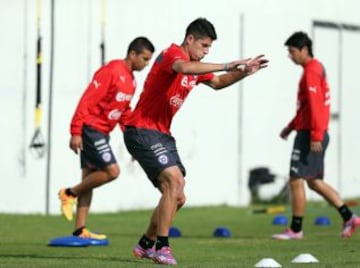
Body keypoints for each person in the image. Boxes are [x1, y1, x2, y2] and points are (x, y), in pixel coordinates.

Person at [123, 18, 268, 265]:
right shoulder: (173, 54)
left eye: (209, 47)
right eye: (203, 45)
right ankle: (162, 248)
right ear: (189, 39)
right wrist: (227, 64)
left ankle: (146, 244)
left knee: (178, 196)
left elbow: (219, 82)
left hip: (161, 133)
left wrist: (242, 72)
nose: (206, 51)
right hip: (141, 129)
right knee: (174, 181)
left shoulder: (196, 66)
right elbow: (183, 68)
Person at [58, 37, 155, 240]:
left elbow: (124, 113)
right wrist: (75, 130)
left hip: (102, 132)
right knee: (112, 171)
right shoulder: (111, 71)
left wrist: (135, 143)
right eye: (145, 59)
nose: (146, 64)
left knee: (90, 178)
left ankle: (79, 230)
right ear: (133, 54)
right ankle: (69, 193)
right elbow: (87, 99)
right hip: (90, 129)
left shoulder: (131, 80)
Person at [272, 31, 360, 240]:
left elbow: (316, 106)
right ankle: (349, 217)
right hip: (309, 131)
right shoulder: (315, 68)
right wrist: (290, 126)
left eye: (292, 51)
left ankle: (295, 229)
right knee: (313, 181)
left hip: (311, 134)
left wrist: (316, 135)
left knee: (295, 179)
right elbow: (306, 108)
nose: (290, 56)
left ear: (304, 50)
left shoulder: (311, 70)